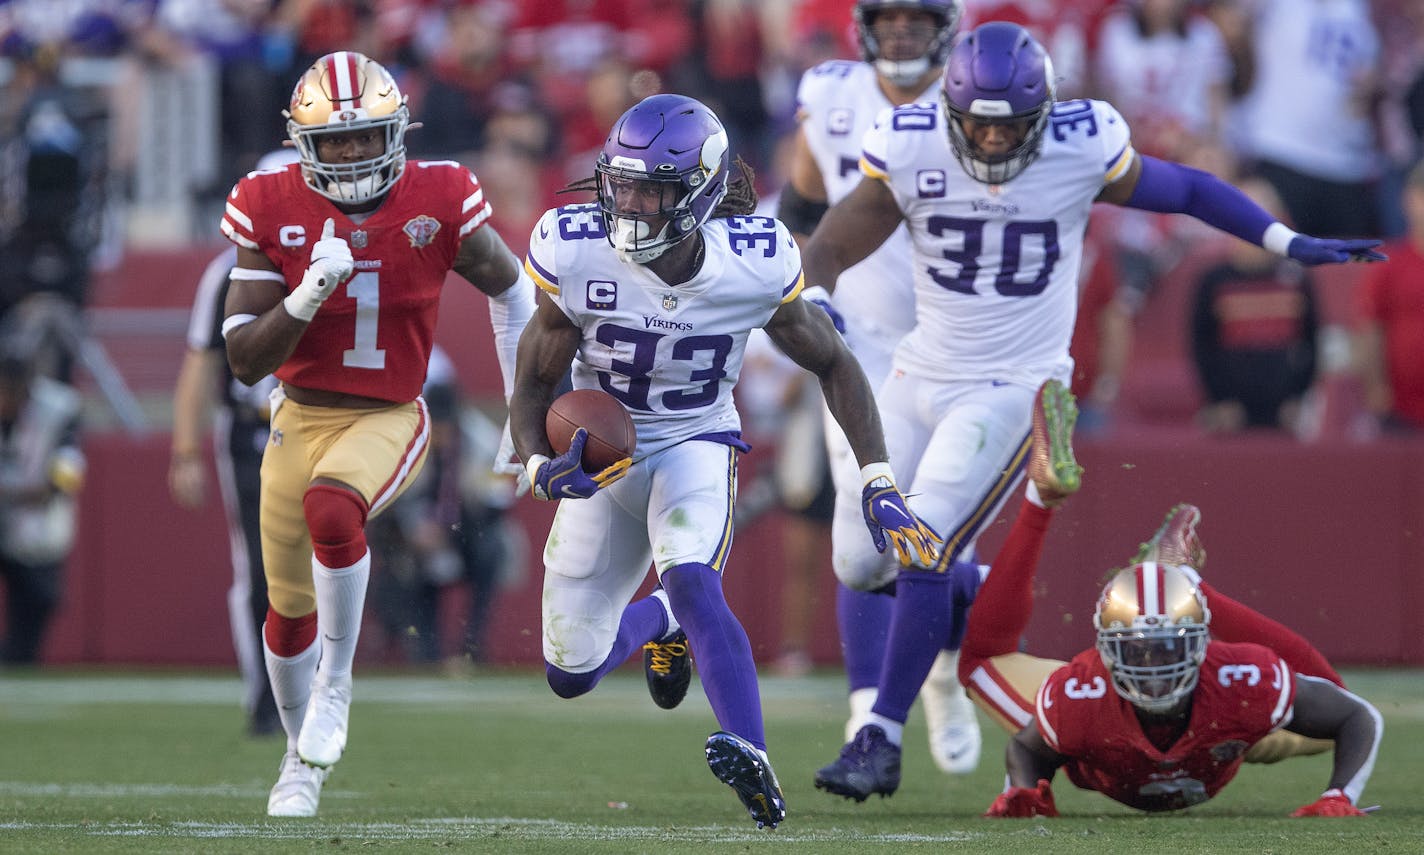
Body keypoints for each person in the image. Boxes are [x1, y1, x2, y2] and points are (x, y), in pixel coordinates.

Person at [804, 21, 1384, 802]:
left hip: (1014, 383)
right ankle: (950, 590)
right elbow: (840, 229)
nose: (991, 136)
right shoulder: (911, 143)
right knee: (860, 562)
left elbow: (1187, 188)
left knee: (921, 541)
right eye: (977, 119)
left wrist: (1284, 240)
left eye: (1010, 122)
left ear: (1043, 115)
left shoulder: (1081, 145)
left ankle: (879, 736)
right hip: (916, 371)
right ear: (949, 109)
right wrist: (811, 295)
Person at [509, 93, 939, 830]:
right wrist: (536, 464)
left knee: (695, 576)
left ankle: (751, 750)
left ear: (701, 193)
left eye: (655, 189)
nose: (634, 204)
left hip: (694, 439)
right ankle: (661, 623)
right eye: (625, 184)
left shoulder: (755, 260)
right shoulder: (575, 246)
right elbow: (533, 383)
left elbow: (834, 362)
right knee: (569, 672)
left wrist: (877, 477)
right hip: (601, 451)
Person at [219, 51, 536, 817]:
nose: (355, 154)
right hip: (297, 416)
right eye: (338, 141)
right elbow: (241, 358)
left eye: (368, 138)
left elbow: (515, 290)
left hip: (390, 412)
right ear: (306, 144)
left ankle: (339, 682)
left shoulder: (441, 194)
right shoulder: (267, 202)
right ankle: (299, 761)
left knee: (335, 509)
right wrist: (304, 297)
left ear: (396, 132)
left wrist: (523, 416)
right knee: (284, 611)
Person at [961, 379, 1382, 818]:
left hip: (1223, 727)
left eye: (1167, 648)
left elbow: (1355, 716)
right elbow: (1028, 751)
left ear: (1202, 643)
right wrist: (1024, 791)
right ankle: (1055, 509)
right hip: (1121, 745)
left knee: (1332, 700)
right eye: (1139, 653)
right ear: (1105, 650)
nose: (1155, 670)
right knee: (981, 666)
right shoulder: (1079, 696)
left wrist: (1339, 798)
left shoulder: (1239, 684)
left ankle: (1182, 580)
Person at [779, 0, 982, 774]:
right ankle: (871, 710)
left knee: (935, 527)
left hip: (955, 345)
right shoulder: (830, 94)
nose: (900, 30)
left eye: (915, 17)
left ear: (945, 27)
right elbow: (800, 205)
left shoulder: (978, 103)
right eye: (887, 15)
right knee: (865, 539)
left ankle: (941, 670)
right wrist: (801, 310)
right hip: (855, 345)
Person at [170, 149, 298, 738]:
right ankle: (266, 694)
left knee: (327, 556)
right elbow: (200, 363)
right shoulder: (227, 270)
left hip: (327, 422)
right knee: (260, 567)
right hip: (252, 430)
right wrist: (186, 451)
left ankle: (315, 687)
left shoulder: (345, 255)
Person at [1190, 178, 1319, 434]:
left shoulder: (1296, 279)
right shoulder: (1213, 281)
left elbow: (1312, 341)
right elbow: (1201, 346)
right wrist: (1219, 400)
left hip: (1285, 416)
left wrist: (1299, 397)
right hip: (1230, 416)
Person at [0, 333, 83, 665]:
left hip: (33, 524)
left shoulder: (59, 409)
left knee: (37, 598)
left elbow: (66, 476)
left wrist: (21, 493)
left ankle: (20, 659)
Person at [1354, 159, 1424, 433]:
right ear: (1409, 200)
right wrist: (1374, 385)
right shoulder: (1389, 264)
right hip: (1400, 408)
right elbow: (1370, 327)